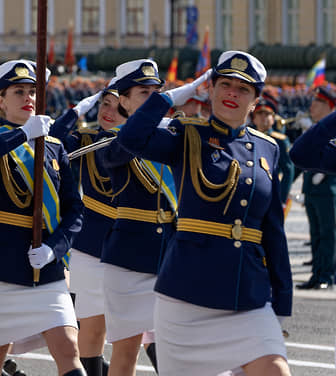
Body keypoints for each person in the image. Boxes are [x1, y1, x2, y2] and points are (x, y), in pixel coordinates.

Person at [117, 51, 292, 376]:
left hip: (247, 295)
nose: (232, 94)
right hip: (187, 295)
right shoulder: (186, 135)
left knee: (276, 371)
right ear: (209, 90)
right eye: (224, 84)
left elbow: (274, 232)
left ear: (256, 100)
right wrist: (169, 97)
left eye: (243, 89)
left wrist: (283, 301)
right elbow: (131, 138)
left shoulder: (269, 148)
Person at [0, 59, 85, 376]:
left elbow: (75, 211)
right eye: (18, 91)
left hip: (46, 271)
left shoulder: (54, 147)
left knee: (69, 350)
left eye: (32, 91)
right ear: (1, 100)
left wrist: (54, 249)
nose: (28, 98)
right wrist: (23, 134)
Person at [98, 59, 177, 376]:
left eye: (155, 91)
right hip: (129, 260)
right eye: (143, 92)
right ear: (124, 100)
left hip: (173, 257)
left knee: (178, 348)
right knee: (126, 350)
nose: (151, 97)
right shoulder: (113, 139)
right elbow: (117, 155)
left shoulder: (175, 134)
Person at [53, 80, 124, 376]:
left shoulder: (150, 143)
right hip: (92, 246)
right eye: (104, 103)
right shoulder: (86, 139)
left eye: (117, 106)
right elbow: (52, 139)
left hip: (134, 245)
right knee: (93, 331)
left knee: (134, 334)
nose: (107, 111)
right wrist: (77, 110)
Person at [296, 86, 336, 290]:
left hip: (329, 191)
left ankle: (327, 275)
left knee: (328, 234)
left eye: (317, 102)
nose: (312, 106)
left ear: (329, 106)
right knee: (316, 234)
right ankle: (317, 273)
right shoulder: (316, 128)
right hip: (313, 190)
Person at [250, 98, 294, 208]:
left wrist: (282, 198)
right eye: (259, 113)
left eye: (267, 114)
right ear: (254, 119)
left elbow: (288, 170)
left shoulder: (280, 140)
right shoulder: (247, 137)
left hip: (271, 191)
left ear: (273, 120)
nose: (263, 116)